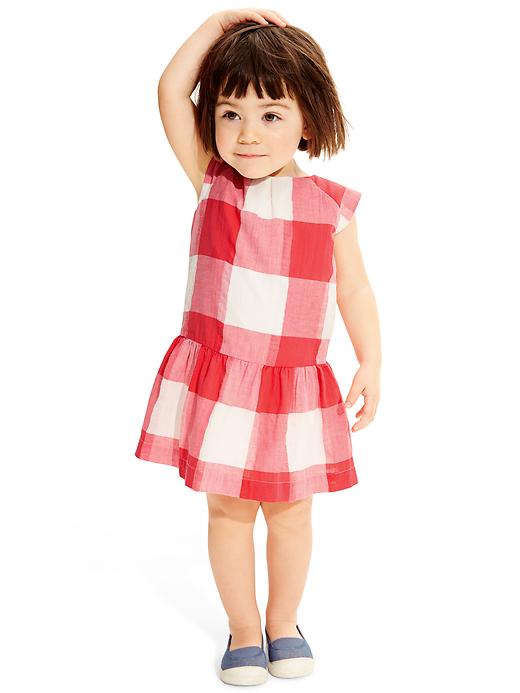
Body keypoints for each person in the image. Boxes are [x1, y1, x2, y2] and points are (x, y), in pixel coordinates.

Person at [134, 8, 382, 685]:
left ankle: (284, 622)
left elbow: (355, 288)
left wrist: (372, 359)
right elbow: (169, 90)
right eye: (230, 112)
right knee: (228, 510)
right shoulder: (213, 179)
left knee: (292, 513)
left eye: (271, 114)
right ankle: (243, 630)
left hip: (293, 385)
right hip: (224, 383)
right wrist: (219, 25)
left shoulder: (329, 205)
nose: (247, 133)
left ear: (309, 121)